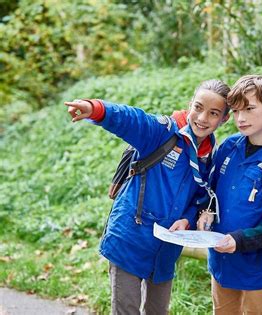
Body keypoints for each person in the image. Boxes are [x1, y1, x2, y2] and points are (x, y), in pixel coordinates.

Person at [64, 79, 230, 315]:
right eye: (198, 107)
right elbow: (131, 119)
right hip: (130, 238)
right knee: (127, 310)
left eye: (213, 113)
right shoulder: (161, 133)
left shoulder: (209, 157)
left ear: (224, 119)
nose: (202, 118)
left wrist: (188, 219)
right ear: (190, 104)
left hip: (165, 249)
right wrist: (96, 109)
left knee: (157, 311)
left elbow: (199, 200)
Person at [197, 75, 262, 314]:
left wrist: (240, 240)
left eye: (249, 109)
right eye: (235, 111)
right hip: (222, 262)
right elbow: (210, 193)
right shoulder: (228, 147)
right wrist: (206, 212)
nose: (240, 118)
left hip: (258, 269)